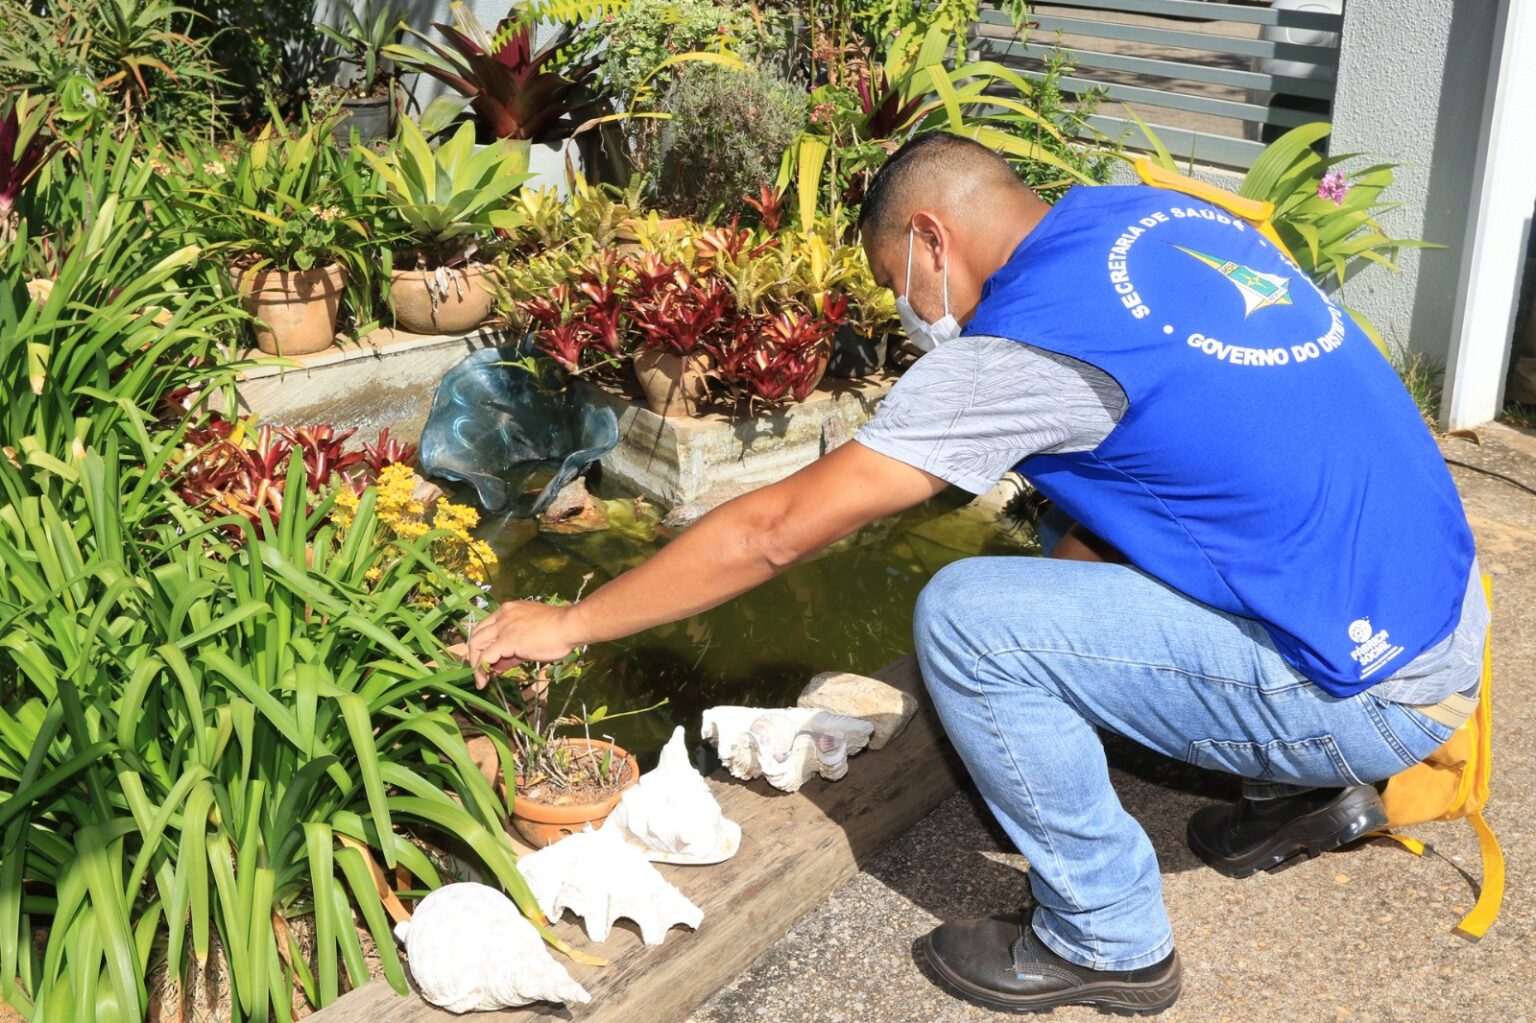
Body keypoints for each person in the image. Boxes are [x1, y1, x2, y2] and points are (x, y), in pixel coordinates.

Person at [465, 132, 1487, 1016]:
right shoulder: (1147, 217)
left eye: (893, 287)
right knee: (1070, 552)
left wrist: (573, 622)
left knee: (969, 618)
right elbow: (1175, 481)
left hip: (1373, 693)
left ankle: (1107, 936)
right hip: (1432, 610)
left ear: (928, 241)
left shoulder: (1020, 350)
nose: (905, 312)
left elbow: (775, 531)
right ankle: (1304, 784)